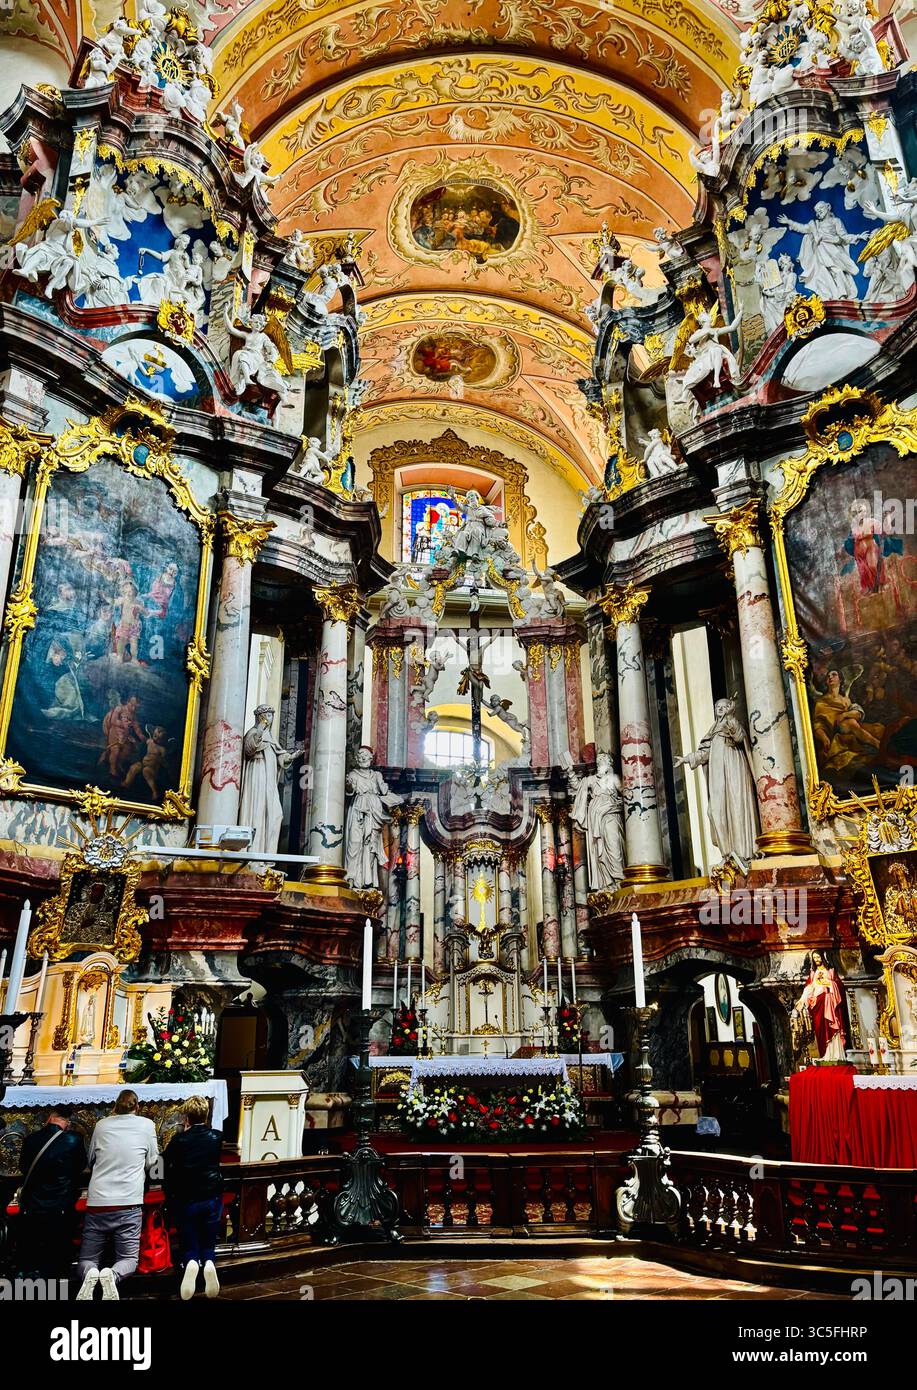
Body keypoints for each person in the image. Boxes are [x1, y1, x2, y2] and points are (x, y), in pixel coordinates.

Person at [75, 1089, 160, 1301]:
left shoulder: (102, 1124)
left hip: (98, 1200)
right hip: (129, 1201)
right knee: (129, 1259)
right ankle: (112, 1275)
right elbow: (153, 1163)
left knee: (86, 1258)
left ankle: (90, 1273)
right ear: (137, 1106)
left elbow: (91, 1158)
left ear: (115, 1106)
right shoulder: (147, 1125)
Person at [163, 1095, 224, 1300]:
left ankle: (190, 1262)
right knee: (208, 1242)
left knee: (189, 1243)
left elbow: (165, 1163)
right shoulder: (216, 1137)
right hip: (211, 1196)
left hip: (186, 1198)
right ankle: (208, 1263)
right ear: (206, 1116)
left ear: (186, 1117)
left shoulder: (179, 1140)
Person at [17, 1108, 86, 1279]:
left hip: (34, 1204)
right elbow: (80, 1167)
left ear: (50, 1118)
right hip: (61, 1205)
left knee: (35, 1249)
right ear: (67, 1123)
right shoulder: (74, 1139)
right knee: (57, 1251)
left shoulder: (31, 1139)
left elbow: (23, 1168)